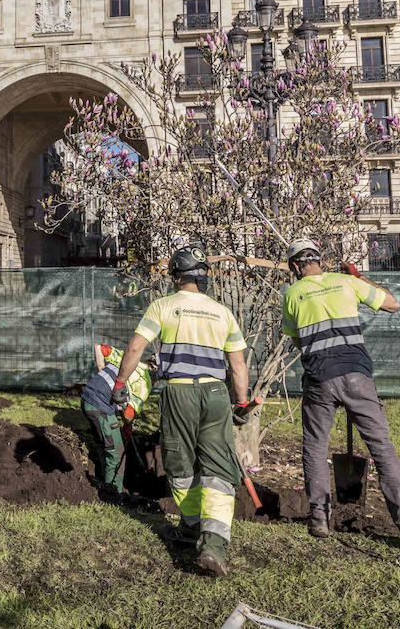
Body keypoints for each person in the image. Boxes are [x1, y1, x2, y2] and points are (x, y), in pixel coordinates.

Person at [113, 245, 251, 577]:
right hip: (216, 393)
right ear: (204, 278)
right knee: (218, 467)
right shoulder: (223, 312)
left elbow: (135, 347)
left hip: (178, 393)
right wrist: (242, 402)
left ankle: (190, 527)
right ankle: (214, 544)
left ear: (176, 276)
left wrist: (120, 382)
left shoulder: (163, 306)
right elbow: (238, 365)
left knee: (178, 462)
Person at [280, 237, 400, 546]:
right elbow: (392, 303)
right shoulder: (347, 282)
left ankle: (319, 519)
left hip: (320, 379)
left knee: (315, 448)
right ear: (319, 259)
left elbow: (297, 342)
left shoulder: (292, 294)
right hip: (358, 377)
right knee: (382, 449)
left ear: (295, 266)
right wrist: (359, 277)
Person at [80, 342, 154, 503]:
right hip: (100, 407)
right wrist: (128, 427)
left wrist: (101, 370)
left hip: (87, 399)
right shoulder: (145, 383)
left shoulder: (127, 357)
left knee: (103, 445)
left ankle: (101, 478)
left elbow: (98, 347)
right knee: (117, 452)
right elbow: (128, 414)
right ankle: (113, 494)